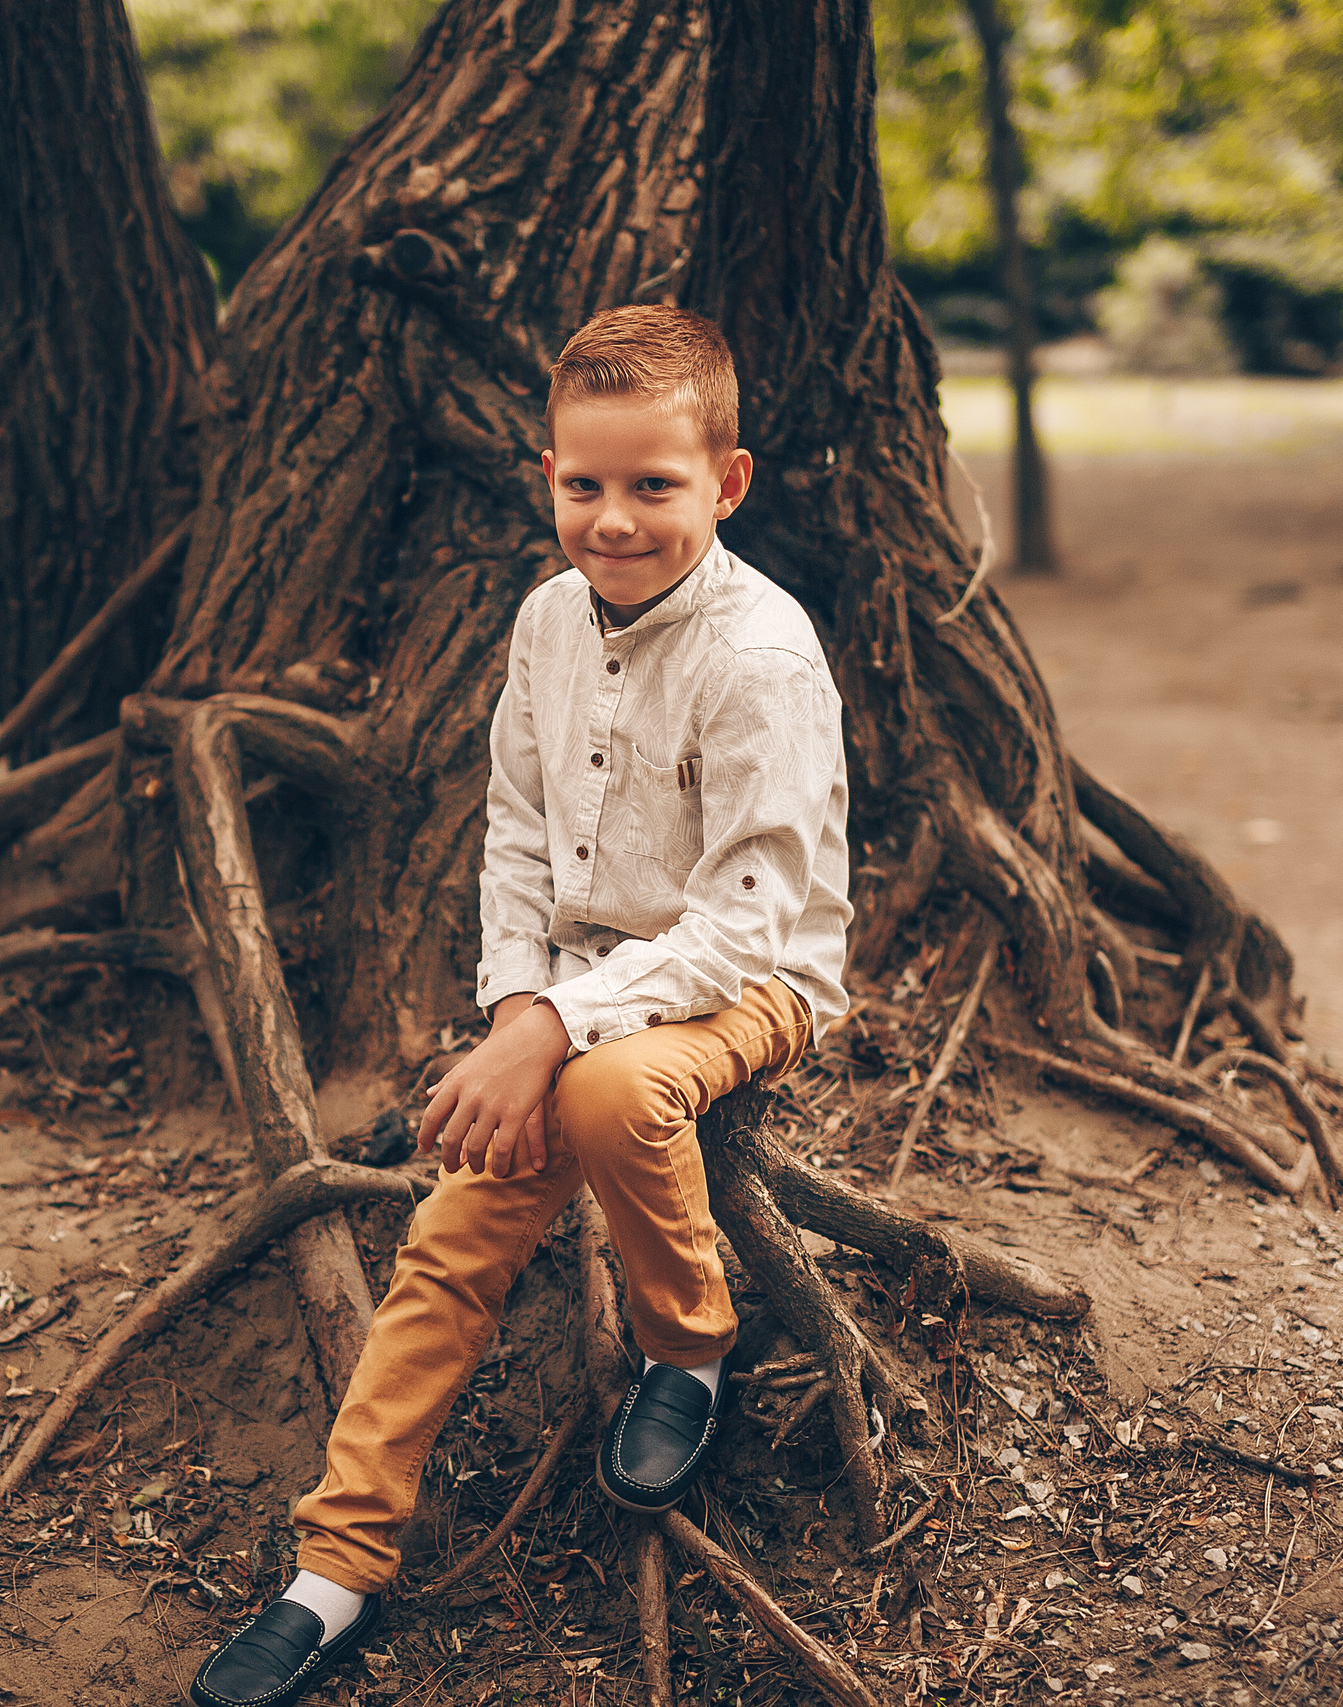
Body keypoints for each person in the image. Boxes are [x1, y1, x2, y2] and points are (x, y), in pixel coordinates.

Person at [188, 305, 852, 1707]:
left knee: (614, 1092)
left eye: (654, 486)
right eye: (584, 485)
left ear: (727, 484)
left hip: (751, 978)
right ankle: (337, 1568)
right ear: (543, 470)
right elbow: (516, 831)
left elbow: (744, 917)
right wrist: (513, 1009)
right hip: (570, 991)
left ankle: (689, 1341)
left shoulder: (762, 658)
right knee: (446, 1240)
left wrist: (559, 1030)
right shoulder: (549, 620)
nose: (613, 520)